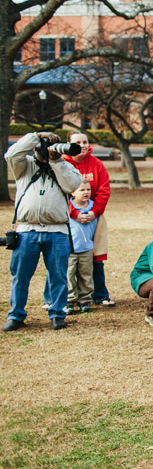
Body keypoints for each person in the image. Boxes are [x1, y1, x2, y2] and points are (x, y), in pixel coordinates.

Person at [3, 132, 83, 332]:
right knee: (20, 276)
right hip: (27, 230)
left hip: (57, 231)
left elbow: (72, 185)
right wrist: (34, 136)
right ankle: (16, 315)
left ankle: (57, 314)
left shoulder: (66, 167)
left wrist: (56, 162)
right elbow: (11, 155)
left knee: (58, 276)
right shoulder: (24, 165)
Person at [58, 132, 115, 307]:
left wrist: (95, 211)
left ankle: (99, 295)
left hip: (93, 217)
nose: (82, 145)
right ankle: (55, 298)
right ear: (69, 144)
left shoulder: (96, 165)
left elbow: (104, 190)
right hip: (66, 218)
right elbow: (58, 192)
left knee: (95, 256)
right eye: (77, 142)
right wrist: (74, 213)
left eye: (85, 142)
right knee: (63, 260)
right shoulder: (61, 164)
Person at [64, 180, 98, 314]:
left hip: (87, 248)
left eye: (88, 190)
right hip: (70, 249)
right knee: (69, 275)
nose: (86, 192)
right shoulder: (68, 207)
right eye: (82, 190)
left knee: (86, 275)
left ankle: (85, 300)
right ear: (73, 192)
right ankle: (69, 301)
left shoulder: (93, 207)